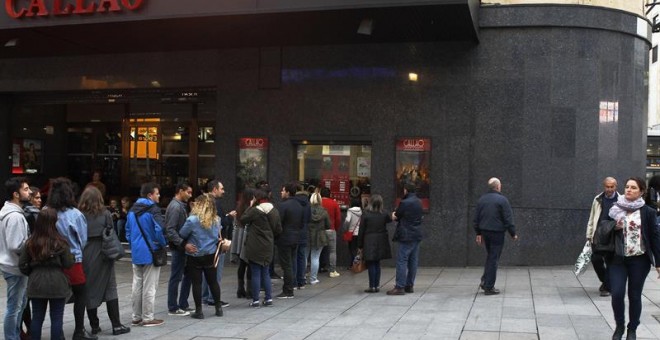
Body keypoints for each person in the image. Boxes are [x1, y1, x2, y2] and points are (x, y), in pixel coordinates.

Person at [607, 177, 660, 340]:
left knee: (635, 295)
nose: (629, 190)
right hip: (617, 259)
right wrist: (613, 226)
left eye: (633, 188)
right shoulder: (614, 208)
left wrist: (658, 262)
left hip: (639, 260)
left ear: (641, 192)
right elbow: (601, 225)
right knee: (616, 293)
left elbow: (654, 236)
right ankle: (620, 326)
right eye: (627, 187)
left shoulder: (648, 212)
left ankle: (632, 329)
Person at [47, 177, 96, 340]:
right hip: (73, 259)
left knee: (56, 298)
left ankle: (57, 332)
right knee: (80, 294)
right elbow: (82, 239)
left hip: (51, 260)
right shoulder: (75, 214)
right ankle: (79, 330)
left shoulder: (46, 211)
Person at [78, 186, 130, 336]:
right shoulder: (105, 213)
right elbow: (110, 231)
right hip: (103, 253)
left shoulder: (79, 215)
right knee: (110, 288)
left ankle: (94, 325)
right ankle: (116, 325)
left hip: (86, 253)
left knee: (89, 290)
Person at [19, 208, 73, 340]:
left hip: (36, 282)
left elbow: (22, 264)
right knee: (56, 317)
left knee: (37, 317)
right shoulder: (61, 242)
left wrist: (32, 272)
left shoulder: (30, 242)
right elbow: (68, 263)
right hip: (57, 282)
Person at [125, 182, 167, 327]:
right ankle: (148, 318)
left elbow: (128, 232)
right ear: (150, 195)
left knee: (137, 284)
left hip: (136, 252)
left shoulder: (132, 210)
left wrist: (134, 246)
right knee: (150, 286)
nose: (159, 195)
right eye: (157, 193)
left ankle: (136, 317)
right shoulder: (153, 210)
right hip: (151, 252)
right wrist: (162, 244)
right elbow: (159, 230)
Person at [178, 193, 224, 319]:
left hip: (195, 254)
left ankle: (199, 311)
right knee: (213, 282)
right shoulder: (217, 219)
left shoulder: (192, 220)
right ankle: (218, 308)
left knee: (197, 283)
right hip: (211, 253)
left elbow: (182, 233)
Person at [473, 177, 517, 296]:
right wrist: (513, 233)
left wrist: (478, 233)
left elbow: (476, 219)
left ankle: (485, 280)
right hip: (497, 233)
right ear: (498, 187)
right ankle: (489, 286)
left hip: (485, 232)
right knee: (493, 258)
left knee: (490, 256)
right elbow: (508, 219)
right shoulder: (502, 200)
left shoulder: (482, 200)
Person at [0, 177, 31, 340]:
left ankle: (15, 335)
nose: (30, 192)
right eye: (25, 189)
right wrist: (31, 245)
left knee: (19, 305)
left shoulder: (9, 213)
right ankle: (12, 337)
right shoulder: (15, 217)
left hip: (11, 265)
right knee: (15, 307)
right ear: (15, 194)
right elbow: (16, 245)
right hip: (15, 267)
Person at [240, 189, 282, 307]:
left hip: (255, 245)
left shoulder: (254, 211)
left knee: (255, 273)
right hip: (268, 244)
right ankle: (268, 298)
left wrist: (250, 206)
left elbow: (243, 219)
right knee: (266, 272)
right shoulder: (274, 211)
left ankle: (255, 300)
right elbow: (279, 229)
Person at [387, 183, 424, 296]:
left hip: (406, 234)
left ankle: (400, 286)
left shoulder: (404, 202)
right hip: (417, 234)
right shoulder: (419, 202)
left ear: (406, 190)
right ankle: (409, 285)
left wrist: (393, 214)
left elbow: (397, 216)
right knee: (413, 261)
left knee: (402, 260)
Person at [203, 180, 235, 308]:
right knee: (216, 271)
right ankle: (212, 298)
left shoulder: (204, 202)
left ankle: (205, 296)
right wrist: (230, 217)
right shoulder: (216, 204)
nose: (223, 191)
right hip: (217, 241)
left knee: (207, 270)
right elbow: (221, 223)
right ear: (214, 189)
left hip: (206, 241)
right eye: (221, 189)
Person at [165, 183, 195, 316]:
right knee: (176, 277)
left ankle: (183, 303)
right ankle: (173, 306)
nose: (190, 195)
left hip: (183, 247)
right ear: (180, 191)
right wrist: (183, 244)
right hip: (179, 248)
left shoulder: (181, 206)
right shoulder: (175, 207)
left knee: (187, 275)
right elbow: (170, 230)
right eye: (188, 192)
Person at [585, 177, 618, 297]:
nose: (609, 189)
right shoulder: (598, 199)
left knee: (610, 261)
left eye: (612, 186)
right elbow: (592, 217)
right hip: (598, 235)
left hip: (613, 236)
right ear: (604, 186)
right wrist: (589, 235)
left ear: (616, 186)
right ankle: (606, 282)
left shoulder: (621, 200)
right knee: (596, 259)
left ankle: (606, 287)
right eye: (607, 187)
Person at [358, 194, 392, 293]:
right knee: (377, 263)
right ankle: (377, 285)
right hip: (381, 240)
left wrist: (360, 245)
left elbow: (361, 230)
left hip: (369, 240)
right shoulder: (384, 214)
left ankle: (372, 286)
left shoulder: (366, 214)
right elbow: (389, 219)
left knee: (371, 263)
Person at [276, 182, 304, 299]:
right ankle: (291, 287)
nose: (281, 193)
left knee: (286, 265)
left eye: (283, 190)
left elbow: (278, 223)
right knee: (291, 263)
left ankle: (288, 290)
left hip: (285, 238)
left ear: (287, 192)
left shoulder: (283, 206)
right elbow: (302, 223)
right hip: (296, 237)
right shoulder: (299, 205)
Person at [21, 186, 41, 339]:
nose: (39, 201)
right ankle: (28, 328)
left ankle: (27, 328)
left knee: (25, 299)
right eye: (36, 198)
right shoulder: (32, 215)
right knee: (26, 299)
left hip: (27, 260)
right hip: (31, 259)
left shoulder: (28, 213)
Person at [231, 189, 255, 299]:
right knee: (250, 265)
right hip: (248, 239)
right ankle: (250, 290)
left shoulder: (239, 208)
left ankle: (240, 289)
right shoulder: (251, 209)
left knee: (242, 265)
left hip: (240, 239)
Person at [307, 192, 329, 285]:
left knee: (304, 257)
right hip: (319, 236)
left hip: (307, 235)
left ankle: (301, 277)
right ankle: (313, 278)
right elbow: (328, 225)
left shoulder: (307, 210)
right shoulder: (324, 211)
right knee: (315, 258)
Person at [292, 184, 311, 290]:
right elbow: (309, 219)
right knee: (302, 257)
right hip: (304, 232)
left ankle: (294, 282)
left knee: (294, 257)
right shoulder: (307, 203)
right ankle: (301, 281)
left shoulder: (294, 202)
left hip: (294, 232)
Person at [320, 187, 341, 278]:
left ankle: (318, 268)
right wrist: (335, 228)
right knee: (332, 251)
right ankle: (332, 271)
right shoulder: (334, 203)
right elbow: (338, 218)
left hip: (319, 230)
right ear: (330, 194)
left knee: (317, 251)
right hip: (331, 229)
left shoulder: (318, 203)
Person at [343, 198, 363, 266]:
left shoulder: (350, 211)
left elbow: (347, 220)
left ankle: (352, 264)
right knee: (358, 249)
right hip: (359, 233)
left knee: (351, 249)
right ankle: (358, 264)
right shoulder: (362, 211)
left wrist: (345, 228)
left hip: (351, 233)